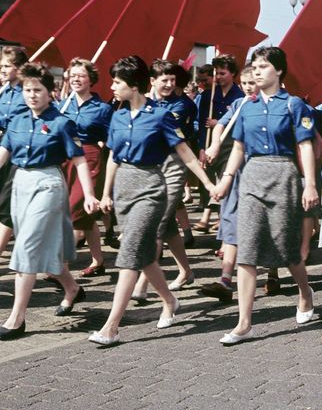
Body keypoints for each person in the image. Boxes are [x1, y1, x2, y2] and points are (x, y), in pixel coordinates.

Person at [89, 56, 216, 346]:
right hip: (124, 188)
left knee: (130, 255)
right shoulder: (118, 116)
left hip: (151, 188)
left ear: (134, 86)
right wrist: (106, 192)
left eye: (117, 82)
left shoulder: (160, 116)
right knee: (144, 255)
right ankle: (170, 301)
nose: (112, 87)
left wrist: (207, 183)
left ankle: (111, 326)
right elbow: (113, 157)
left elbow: (184, 152)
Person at [213, 46, 316, 345]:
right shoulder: (246, 106)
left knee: (287, 249)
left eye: (263, 66)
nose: (256, 71)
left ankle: (305, 292)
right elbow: (239, 149)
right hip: (252, 176)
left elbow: (306, 146)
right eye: (254, 67)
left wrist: (310, 184)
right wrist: (227, 182)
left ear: (279, 71)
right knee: (247, 250)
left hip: (283, 174)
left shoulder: (295, 105)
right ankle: (244, 323)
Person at [0, 62, 97, 340]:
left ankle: (17, 319)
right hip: (20, 184)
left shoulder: (62, 122)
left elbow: (79, 161)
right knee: (45, 253)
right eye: (27, 90)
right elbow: (3, 154)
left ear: (50, 91)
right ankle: (72, 288)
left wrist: (89, 193)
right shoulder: (16, 121)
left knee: (27, 247)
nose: (32, 95)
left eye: (38, 90)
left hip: (48, 185)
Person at [130, 60, 198, 301]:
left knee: (157, 225)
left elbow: (164, 128)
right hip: (149, 168)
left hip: (172, 166)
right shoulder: (142, 101)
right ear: (152, 81)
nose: (169, 84)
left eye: (172, 80)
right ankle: (186, 271)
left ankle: (141, 283)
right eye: (164, 80)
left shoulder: (183, 104)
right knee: (168, 227)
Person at [201, 64, 256, 303]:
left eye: (252, 82)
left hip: (260, 172)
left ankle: (278, 275)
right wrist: (213, 144)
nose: (248, 88)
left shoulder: (274, 105)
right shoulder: (238, 104)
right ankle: (225, 279)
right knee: (232, 220)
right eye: (245, 84)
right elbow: (221, 125)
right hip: (235, 170)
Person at [59, 58, 113, 278]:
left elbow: (112, 137)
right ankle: (98, 260)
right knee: (86, 216)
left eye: (81, 75)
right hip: (64, 158)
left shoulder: (103, 108)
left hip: (90, 158)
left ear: (91, 79)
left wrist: (102, 144)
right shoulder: (63, 104)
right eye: (72, 76)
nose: (76, 80)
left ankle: (58, 264)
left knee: (75, 210)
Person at [195, 55, 244, 233]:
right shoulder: (208, 95)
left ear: (233, 74)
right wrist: (201, 148)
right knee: (207, 182)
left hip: (231, 147)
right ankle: (209, 217)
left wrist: (219, 123)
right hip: (209, 144)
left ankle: (225, 226)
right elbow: (201, 124)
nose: (219, 77)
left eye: (223, 73)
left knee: (227, 185)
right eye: (217, 73)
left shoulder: (240, 96)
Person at [0, 46, 29, 259]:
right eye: (1, 65)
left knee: (6, 202)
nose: (1, 69)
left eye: (6, 66)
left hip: (16, 151)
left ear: (18, 69)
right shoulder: (3, 92)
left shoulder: (27, 93)